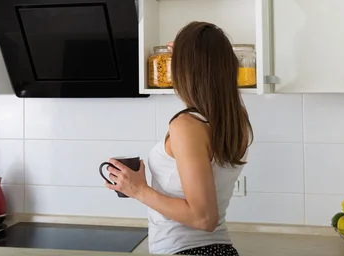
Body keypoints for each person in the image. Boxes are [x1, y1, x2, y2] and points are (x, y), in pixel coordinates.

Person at [104, 21, 253, 255]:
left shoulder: (187, 126)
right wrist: (190, 51)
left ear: (186, 70)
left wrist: (138, 189)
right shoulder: (235, 121)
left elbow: (204, 218)